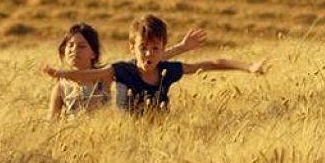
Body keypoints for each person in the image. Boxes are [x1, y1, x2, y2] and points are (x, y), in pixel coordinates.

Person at [44, 15, 264, 113]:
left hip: (161, 134)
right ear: (132, 48)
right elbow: (91, 75)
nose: (148, 54)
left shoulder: (168, 71)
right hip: (126, 137)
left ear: (162, 48)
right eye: (142, 48)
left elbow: (212, 63)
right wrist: (60, 73)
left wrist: (248, 67)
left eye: (155, 48)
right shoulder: (123, 70)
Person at [47, 22, 208, 118]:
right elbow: (52, 123)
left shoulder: (106, 76)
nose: (74, 50)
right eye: (70, 45)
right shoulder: (61, 87)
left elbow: (148, 59)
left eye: (82, 46)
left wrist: (181, 47)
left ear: (93, 52)